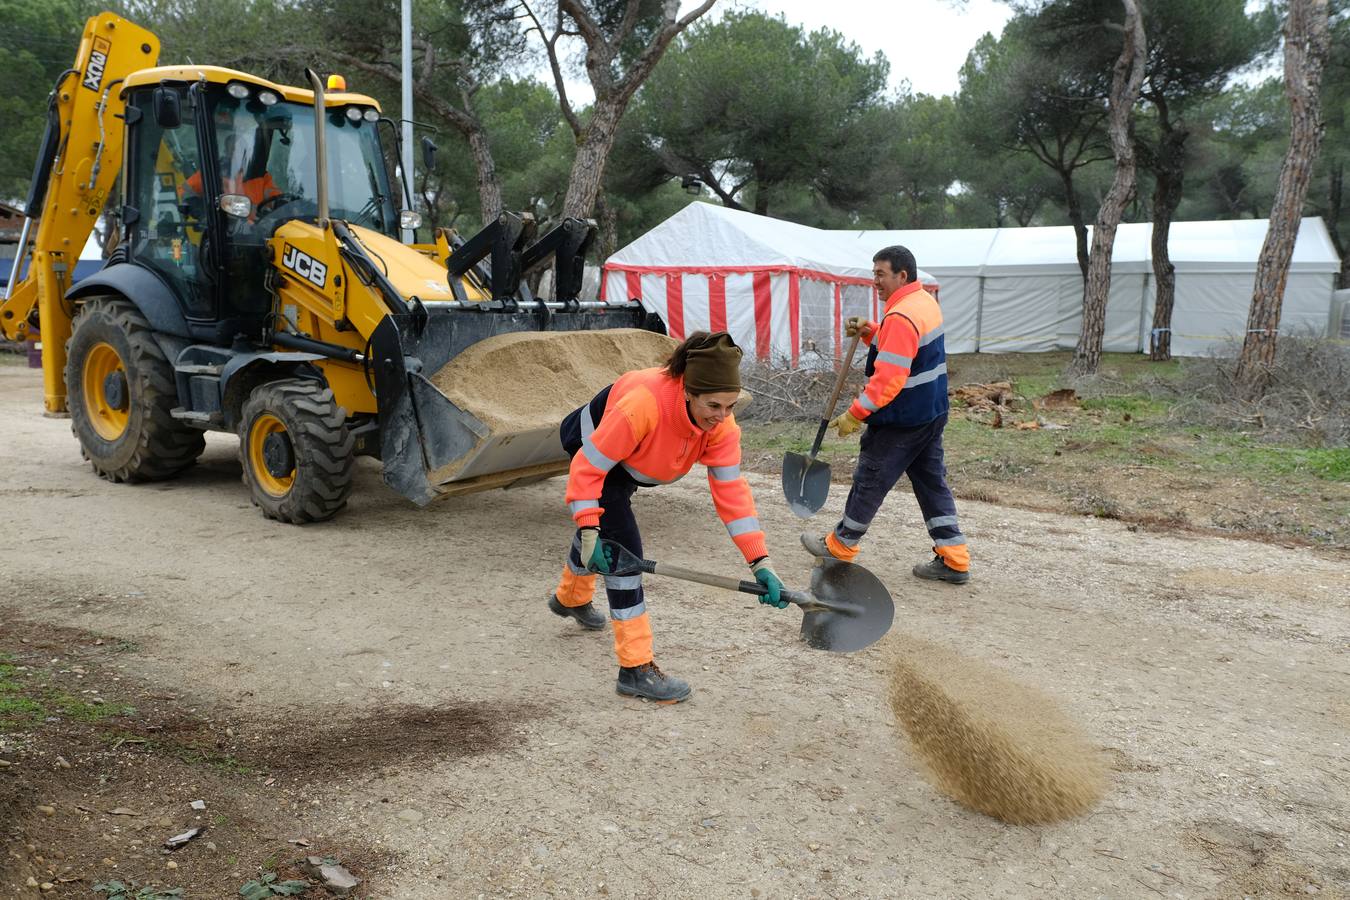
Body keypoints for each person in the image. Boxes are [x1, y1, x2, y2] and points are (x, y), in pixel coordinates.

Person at [549, 331, 787, 703]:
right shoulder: (643, 405)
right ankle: (635, 668)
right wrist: (587, 523)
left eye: (730, 406)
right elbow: (588, 469)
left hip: (632, 460)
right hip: (594, 448)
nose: (722, 417)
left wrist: (761, 562)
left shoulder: (723, 426)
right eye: (713, 406)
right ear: (688, 391)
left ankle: (570, 598)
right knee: (622, 552)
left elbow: (732, 493)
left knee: (603, 536)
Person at [801, 245, 972, 584]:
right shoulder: (922, 302)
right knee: (931, 483)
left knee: (871, 479)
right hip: (930, 412)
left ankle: (840, 546)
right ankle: (955, 558)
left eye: (881, 274)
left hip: (903, 420)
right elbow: (907, 348)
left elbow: (889, 380)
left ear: (902, 275)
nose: (874, 281)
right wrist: (870, 331)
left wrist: (855, 413)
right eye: (873, 273)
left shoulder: (901, 316)